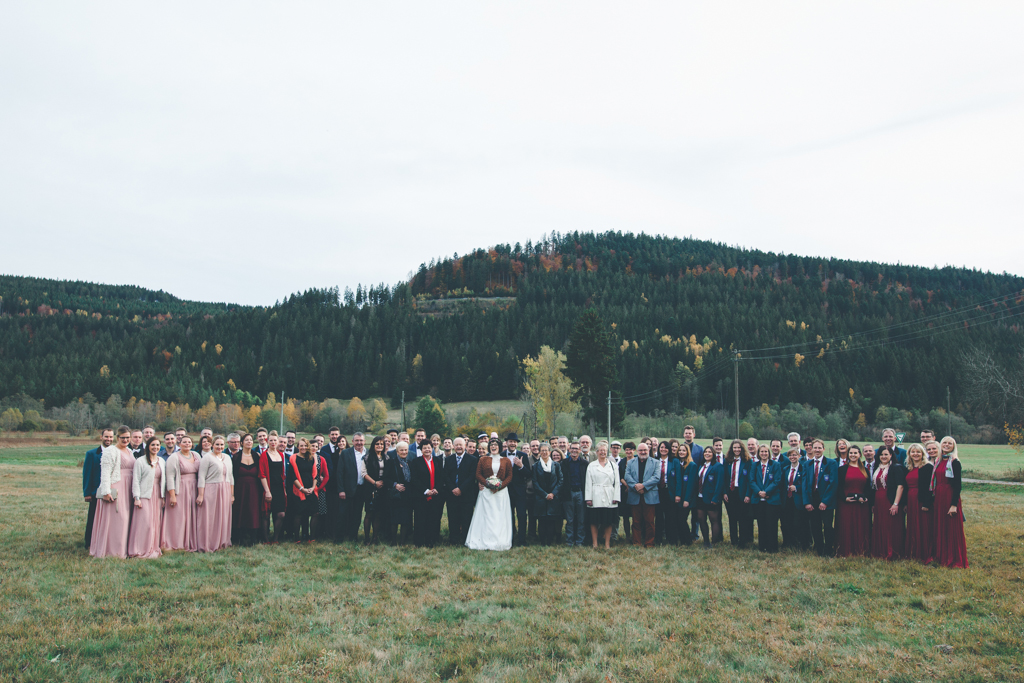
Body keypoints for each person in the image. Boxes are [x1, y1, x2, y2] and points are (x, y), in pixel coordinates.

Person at [90, 426, 136, 558]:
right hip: (116, 486)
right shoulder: (111, 451)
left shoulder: (129, 451)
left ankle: (125, 548)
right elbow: (105, 472)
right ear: (117, 438)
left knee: (127, 518)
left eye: (128, 437)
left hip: (128, 487)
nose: (126, 440)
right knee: (118, 518)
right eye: (123, 437)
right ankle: (112, 550)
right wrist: (106, 491)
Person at [465, 438, 513, 550]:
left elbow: (509, 476)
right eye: (491, 445)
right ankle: (483, 539)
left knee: (499, 516)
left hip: (501, 493)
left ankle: (499, 539)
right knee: (486, 516)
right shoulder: (483, 459)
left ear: (499, 447)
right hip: (486, 492)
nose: (493, 447)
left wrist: (499, 486)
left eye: (496, 445)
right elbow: (478, 474)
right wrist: (488, 484)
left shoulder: (506, 460)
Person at [931, 436, 968, 568]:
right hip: (939, 496)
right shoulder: (939, 461)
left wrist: (953, 505)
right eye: (944, 443)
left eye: (950, 443)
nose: (946, 445)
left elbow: (957, 485)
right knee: (941, 526)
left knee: (951, 527)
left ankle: (953, 557)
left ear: (954, 446)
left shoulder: (954, 462)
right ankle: (941, 555)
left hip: (949, 496)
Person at [128, 436, 165, 559]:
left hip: (157, 496)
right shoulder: (140, 461)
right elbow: (136, 480)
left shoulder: (161, 461)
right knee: (144, 523)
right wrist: (136, 497)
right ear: (148, 447)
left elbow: (162, 481)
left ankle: (153, 547)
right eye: (152, 445)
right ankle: (139, 548)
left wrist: (163, 496)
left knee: (155, 522)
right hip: (144, 495)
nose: (155, 447)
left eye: (157, 445)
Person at [196, 435, 234, 552]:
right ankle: (208, 543)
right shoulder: (207, 458)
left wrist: (232, 494)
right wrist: (201, 494)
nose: (219, 446)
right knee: (210, 517)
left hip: (225, 489)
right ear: (212, 445)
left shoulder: (227, 457)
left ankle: (222, 541)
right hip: (211, 489)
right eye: (217, 444)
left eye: (222, 444)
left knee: (223, 515)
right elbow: (201, 477)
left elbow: (230, 476)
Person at [802, 439, 838, 557]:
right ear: (811, 449)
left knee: (827, 526)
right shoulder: (807, 464)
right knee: (815, 526)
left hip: (826, 500)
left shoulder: (831, 463)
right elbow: (805, 484)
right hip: (813, 499)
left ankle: (828, 550)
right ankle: (819, 549)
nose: (817, 450)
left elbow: (833, 484)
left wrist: (825, 502)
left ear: (823, 449)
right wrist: (807, 502)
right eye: (815, 448)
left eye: (819, 448)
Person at [163, 435, 199, 551]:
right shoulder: (174, 457)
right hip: (180, 488)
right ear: (179, 444)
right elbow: (170, 477)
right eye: (184, 442)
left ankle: (190, 541)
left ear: (192, 444)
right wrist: (172, 495)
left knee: (192, 515)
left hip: (194, 488)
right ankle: (175, 542)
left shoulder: (196, 455)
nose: (187, 444)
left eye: (189, 442)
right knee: (178, 516)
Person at [870, 446, 906, 561]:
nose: (883, 457)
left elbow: (900, 486)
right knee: (880, 524)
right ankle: (880, 550)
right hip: (878, 500)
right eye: (881, 455)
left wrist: (895, 504)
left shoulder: (896, 467)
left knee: (891, 525)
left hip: (890, 500)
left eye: (886, 454)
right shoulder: (877, 467)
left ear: (891, 455)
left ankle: (893, 552)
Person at [835, 445, 871, 557]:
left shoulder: (865, 470)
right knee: (846, 526)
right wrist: (844, 498)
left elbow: (868, 488)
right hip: (846, 503)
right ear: (848, 454)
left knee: (861, 526)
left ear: (860, 455)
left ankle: (861, 550)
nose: (853, 455)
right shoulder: (841, 469)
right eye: (851, 453)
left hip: (861, 505)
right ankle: (844, 550)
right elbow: (838, 487)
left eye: (855, 453)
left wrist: (865, 497)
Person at [903, 443, 934, 564]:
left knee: (923, 525)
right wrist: (905, 503)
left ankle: (924, 553)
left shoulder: (927, 467)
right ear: (909, 454)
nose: (915, 454)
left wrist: (927, 503)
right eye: (913, 452)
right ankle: (912, 551)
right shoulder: (908, 468)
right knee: (912, 524)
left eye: (918, 452)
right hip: (910, 499)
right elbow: (905, 487)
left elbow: (930, 488)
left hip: (921, 500)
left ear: (923, 454)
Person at [625, 442, 660, 547]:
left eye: (645, 450)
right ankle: (636, 542)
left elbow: (656, 477)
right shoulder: (631, 462)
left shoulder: (655, 462)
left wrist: (643, 486)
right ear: (637, 451)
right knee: (636, 521)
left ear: (648, 450)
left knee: (649, 521)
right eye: (640, 450)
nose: (643, 452)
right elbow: (627, 476)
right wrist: (636, 486)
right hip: (635, 495)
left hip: (649, 494)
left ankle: (649, 542)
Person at [83, 428, 114, 547]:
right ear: (101, 437)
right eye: (106, 437)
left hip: (111, 491)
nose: (109, 439)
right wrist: (87, 492)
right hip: (96, 491)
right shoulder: (91, 454)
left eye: (111, 437)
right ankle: (89, 542)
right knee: (93, 517)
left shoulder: (115, 452)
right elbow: (87, 474)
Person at [585, 442, 620, 549]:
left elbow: (617, 483)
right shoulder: (591, 465)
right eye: (600, 450)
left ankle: (607, 543)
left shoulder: (613, 466)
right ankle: (595, 543)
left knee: (608, 521)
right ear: (597, 452)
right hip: (595, 494)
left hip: (609, 494)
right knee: (594, 521)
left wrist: (616, 497)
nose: (603, 452)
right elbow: (588, 482)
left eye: (604, 450)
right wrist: (588, 498)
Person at [445, 437, 478, 546]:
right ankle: (453, 539)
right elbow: (446, 476)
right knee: (453, 517)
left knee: (466, 517)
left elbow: (471, 476)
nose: (459, 447)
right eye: (456, 445)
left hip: (466, 494)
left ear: (465, 446)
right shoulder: (449, 459)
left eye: (461, 444)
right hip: (452, 494)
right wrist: (453, 488)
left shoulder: (472, 459)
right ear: (453, 446)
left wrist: (461, 489)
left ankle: (465, 539)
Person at [748, 444, 782, 553]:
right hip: (758, 500)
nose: (764, 454)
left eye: (766, 452)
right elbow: (751, 481)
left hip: (771, 499)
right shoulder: (755, 465)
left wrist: (766, 492)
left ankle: (772, 547)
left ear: (769, 453)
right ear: (759, 453)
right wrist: (759, 492)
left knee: (771, 524)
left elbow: (777, 481)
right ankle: (762, 546)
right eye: (761, 452)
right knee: (761, 524)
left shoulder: (775, 465)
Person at [287, 438, 321, 542]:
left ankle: (312, 537)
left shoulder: (311, 458)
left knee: (315, 513)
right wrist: (302, 489)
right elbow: (293, 477)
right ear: (298, 447)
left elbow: (315, 475)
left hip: (311, 489)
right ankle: (297, 538)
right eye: (301, 445)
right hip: (299, 490)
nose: (303, 447)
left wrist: (312, 488)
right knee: (299, 514)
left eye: (305, 446)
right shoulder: (293, 458)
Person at [411, 442, 444, 547]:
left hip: (435, 495)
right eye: (424, 448)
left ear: (432, 448)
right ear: (421, 450)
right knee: (420, 518)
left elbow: (441, 477)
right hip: (421, 495)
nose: (427, 450)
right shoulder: (416, 462)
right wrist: (425, 490)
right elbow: (414, 479)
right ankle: (419, 541)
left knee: (432, 518)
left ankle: (431, 540)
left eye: (429, 448)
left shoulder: (437, 460)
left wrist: (436, 489)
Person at [232, 432, 262, 545]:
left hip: (254, 488)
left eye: (250, 440)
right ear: (241, 443)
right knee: (240, 511)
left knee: (253, 511)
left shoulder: (256, 456)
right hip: (240, 487)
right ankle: (239, 537)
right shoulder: (236, 457)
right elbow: (233, 474)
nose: (249, 442)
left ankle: (253, 538)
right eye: (246, 440)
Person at [723, 440, 754, 547]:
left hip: (742, 492)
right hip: (730, 492)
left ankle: (743, 541)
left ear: (742, 449)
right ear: (731, 449)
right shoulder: (727, 461)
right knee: (732, 517)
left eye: (739, 448)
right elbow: (725, 478)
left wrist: (748, 495)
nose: (736, 450)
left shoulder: (747, 461)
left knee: (743, 518)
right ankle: (734, 540)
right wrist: (724, 493)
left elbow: (750, 480)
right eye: (734, 448)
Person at [693, 445, 724, 547]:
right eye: (705, 452)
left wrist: (715, 498)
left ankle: (714, 542)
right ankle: (706, 541)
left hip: (711, 498)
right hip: (700, 497)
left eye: (710, 452)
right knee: (701, 519)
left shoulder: (718, 466)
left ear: (713, 454)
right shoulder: (702, 466)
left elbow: (720, 484)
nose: (707, 454)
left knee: (714, 520)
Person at [502, 433, 531, 546]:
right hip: (505, 491)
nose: (512, 443)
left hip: (520, 492)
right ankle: (510, 538)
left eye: (514, 442)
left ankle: (522, 540)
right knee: (508, 515)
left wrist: (521, 466)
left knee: (522, 515)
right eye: (510, 441)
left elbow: (529, 474)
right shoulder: (502, 455)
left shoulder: (523, 455)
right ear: (507, 443)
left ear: (517, 443)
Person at [258, 433, 288, 543]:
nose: (273, 442)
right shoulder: (264, 455)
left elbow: (282, 474)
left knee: (281, 514)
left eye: (275, 440)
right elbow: (262, 475)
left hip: (279, 487)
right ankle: (265, 539)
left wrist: (284, 490)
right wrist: (267, 491)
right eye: (271, 440)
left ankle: (275, 538)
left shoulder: (281, 455)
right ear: (267, 441)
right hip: (268, 487)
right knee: (266, 514)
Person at [532, 443, 563, 545]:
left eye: (546, 450)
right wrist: (545, 495)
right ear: (539, 452)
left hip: (553, 497)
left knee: (551, 520)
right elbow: (535, 482)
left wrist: (553, 494)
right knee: (542, 521)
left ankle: (549, 541)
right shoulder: (535, 466)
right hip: (541, 497)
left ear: (550, 452)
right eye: (542, 450)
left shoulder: (556, 465)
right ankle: (542, 542)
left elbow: (560, 480)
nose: (544, 452)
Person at [384, 441, 414, 544]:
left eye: (405, 450)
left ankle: (402, 541)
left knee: (405, 519)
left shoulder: (410, 462)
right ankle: (393, 540)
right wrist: (395, 485)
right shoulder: (391, 462)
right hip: (395, 495)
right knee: (394, 520)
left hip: (407, 495)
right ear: (397, 451)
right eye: (401, 450)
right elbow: (385, 478)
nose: (404, 452)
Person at [560, 441, 589, 547]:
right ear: (569, 449)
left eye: (576, 449)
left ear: (580, 450)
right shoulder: (564, 463)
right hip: (568, 493)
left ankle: (580, 540)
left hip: (581, 492)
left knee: (581, 519)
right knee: (570, 519)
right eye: (572, 448)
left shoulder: (584, 464)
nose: (574, 450)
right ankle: (569, 540)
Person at [779, 448, 808, 550]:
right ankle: (787, 542)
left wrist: (797, 488)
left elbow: (806, 485)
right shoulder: (785, 469)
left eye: (795, 455)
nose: (792, 457)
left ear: (799, 456)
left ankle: (800, 544)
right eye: (790, 455)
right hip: (787, 500)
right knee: (786, 522)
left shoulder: (804, 468)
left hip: (798, 500)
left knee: (798, 523)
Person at [362, 436, 388, 544]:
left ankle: (375, 538)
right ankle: (367, 538)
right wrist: (374, 483)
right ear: (373, 445)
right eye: (377, 444)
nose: (379, 446)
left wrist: (382, 483)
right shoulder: (367, 457)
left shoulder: (386, 458)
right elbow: (364, 473)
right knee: (369, 514)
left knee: (378, 514)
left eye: (381, 444)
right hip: (370, 488)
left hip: (382, 489)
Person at [653, 441, 680, 545]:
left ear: (669, 449)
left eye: (666, 448)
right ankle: (658, 539)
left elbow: (678, 479)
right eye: (661, 447)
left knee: (670, 516)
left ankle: (671, 539)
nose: (663, 449)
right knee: (659, 516)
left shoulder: (675, 461)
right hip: (658, 491)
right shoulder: (655, 461)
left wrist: (677, 494)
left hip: (670, 491)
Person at [676, 444, 697, 546]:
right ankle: (682, 539)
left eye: (684, 450)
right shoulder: (678, 464)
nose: (681, 452)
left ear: (687, 452)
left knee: (682, 519)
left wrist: (687, 500)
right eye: (680, 450)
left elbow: (691, 484)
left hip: (687, 498)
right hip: (679, 497)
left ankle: (688, 540)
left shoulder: (692, 465)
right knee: (679, 519)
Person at [617, 441, 635, 541]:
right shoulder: (622, 462)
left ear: (634, 450)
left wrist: (632, 485)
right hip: (625, 491)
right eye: (627, 450)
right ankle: (627, 535)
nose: (628, 452)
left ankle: (635, 534)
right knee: (625, 515)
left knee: (635, 514)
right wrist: (626, 485)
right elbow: (620, 476)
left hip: (635, 489)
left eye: (630, 450)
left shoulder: (637, 460)